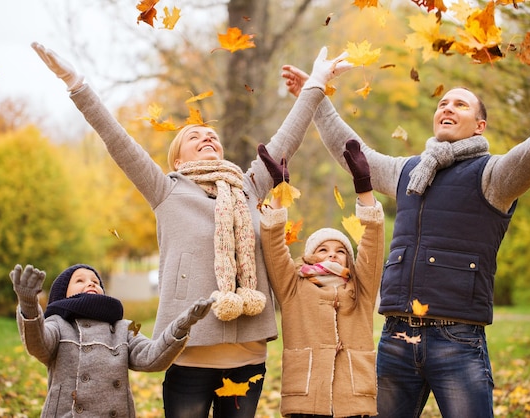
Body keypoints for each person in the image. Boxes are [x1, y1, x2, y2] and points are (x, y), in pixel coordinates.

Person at [31, 42, 352, 417]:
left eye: (211, 135)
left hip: (248, 354)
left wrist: (316, 81)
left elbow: (287, 140)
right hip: (187, 353)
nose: (207, 138)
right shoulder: (165, 190)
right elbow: (117, 139)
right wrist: (76, 83)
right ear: (178, 159)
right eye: (193, 136)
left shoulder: (247, 186)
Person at [280, 50, 530, 417]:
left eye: (461, 104)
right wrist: (315, 96)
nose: (448, 108)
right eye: (443, 103)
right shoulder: (407, 171)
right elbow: (353, 154)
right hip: (396, 338)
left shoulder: (492, 176)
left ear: (480, 125)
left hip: (457, 340)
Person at [257, 140, 385, 417]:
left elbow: (373, 244)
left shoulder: (360, 289)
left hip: (353, 399)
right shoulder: (293, 285)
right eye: (323, 249)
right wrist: (281, 191)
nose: (332, 254)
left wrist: (364, 188)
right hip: (306, 397)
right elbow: (273, 244)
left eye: (341, 251)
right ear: (309, 256)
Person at [10, 263, 213, 417]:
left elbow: (152, 357)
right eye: (79, 280)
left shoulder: (126, 326)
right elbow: (38, 345)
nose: (90, 282)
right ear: (62, 294)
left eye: (95, 281)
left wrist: (182, 325)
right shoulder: (58, 323)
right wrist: (29, 304)